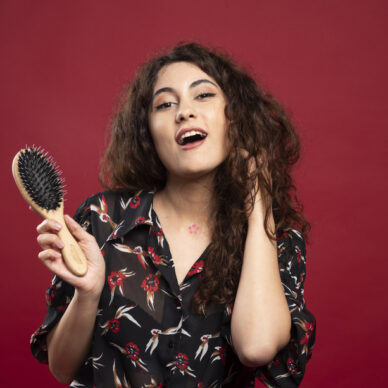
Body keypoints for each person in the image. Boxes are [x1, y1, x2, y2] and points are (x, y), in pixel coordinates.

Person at [31, 42, 316, 387]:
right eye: (165, 104)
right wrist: (87, 293)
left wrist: (259, 207)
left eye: (204, 96)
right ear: (148, 132)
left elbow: (255, 348)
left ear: (235, 117)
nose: (184, 112)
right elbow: (62, 369)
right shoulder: (103, 218)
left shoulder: (278, 243)